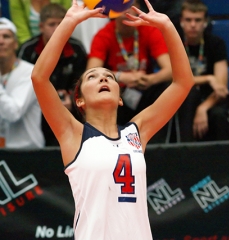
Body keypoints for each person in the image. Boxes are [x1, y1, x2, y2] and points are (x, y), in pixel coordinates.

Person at [31, 0, 194, 239]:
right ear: (80, 101)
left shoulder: (136, 133)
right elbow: (39, 78)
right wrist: (69, 21)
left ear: (120, 98)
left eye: (109, 76)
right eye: (93, 77)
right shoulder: (73, 133)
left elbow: (183, 83)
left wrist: (167, 26)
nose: (103, 79)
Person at [87, 0, 172, 143]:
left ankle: (159, 146)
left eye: (130, 6)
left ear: (137, 8)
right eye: (121, 6)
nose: (126, 11)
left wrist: (151, 79)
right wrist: (121, 77)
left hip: (144, 91)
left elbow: (170, 70)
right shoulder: (104, 35)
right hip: (117, 94)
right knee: (96, 91)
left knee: (165, 88)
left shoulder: (149, 31)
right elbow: (91, 72)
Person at [18, 3, 87, 146]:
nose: (57, 28)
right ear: (41, 27)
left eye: (60, 23)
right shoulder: (27, 49)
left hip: (70, 106)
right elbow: (22, 84)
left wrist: (71, 97)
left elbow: (82, 80)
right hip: (35, 107)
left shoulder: (77, 48)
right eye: (51, 24)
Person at [171, 0, 229, 142]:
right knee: (184, 106)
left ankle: (227, 161)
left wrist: (203, 108)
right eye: (188, 20)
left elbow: (221, 87)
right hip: (184, 99)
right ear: (181, 21)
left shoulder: (216, 43)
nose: (193, 25)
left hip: (211, 99)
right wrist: (208, 78)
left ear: (205, 22)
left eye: (198, 20)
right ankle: (184, 157)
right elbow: (174, 79)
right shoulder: (175, 43)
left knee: (219, 115)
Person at [0, 17, 44, 148]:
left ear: (15, 43)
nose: (1, 41)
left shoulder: (30, 73)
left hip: (28, 153)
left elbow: (13, 113)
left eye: (6, 36)